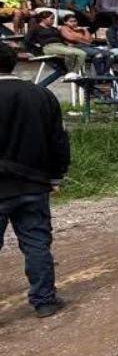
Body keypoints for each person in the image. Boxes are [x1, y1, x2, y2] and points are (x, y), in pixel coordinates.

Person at [0, 42, 70, 317]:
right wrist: (56, 175)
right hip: (33, 183)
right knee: (36, 244)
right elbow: (58, 139)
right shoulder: (41, 94)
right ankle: (44, 301)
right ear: (15, 63)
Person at [25, 10, 83, 86]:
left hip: (60, 48)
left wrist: (67, 44)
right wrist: (35, 50)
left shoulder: (54, 29)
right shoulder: (36, 28)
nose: (53, 20)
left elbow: (61, 39)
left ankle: (40, 86)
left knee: (63, 70)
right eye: (51, 18)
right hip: (47, 49)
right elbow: (27, 41)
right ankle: (40, 86)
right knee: (65, 68)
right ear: (43, 19)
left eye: (54, 18)